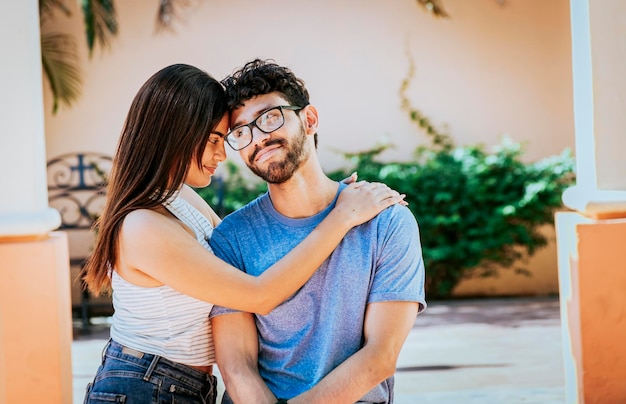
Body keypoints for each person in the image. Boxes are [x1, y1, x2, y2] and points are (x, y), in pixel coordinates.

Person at [80, 63, 407, 404]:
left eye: (224, 139)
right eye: (212, 140)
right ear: (173, 133)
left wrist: (336, 200)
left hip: (181, 384)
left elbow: (243, 252)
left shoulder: (178, 198)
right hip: (144, 386)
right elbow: (259, 294)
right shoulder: (143, 226)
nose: (222, 155)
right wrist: (342, 217)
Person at [209, 59, 427, 404]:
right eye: (242, 131)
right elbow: (237, 366)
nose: (259, 138)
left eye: (269, 118)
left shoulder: (387, 222)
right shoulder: (231, 237)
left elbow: (381, 357)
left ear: (309, 120)